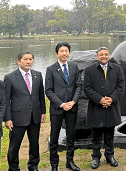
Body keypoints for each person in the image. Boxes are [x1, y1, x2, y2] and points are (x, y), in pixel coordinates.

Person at [4, 50, 46, 171]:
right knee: (14, 145)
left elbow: (40, 95)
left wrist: (43, 112)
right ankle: (13, 167)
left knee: (34, 144)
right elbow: (6, 100)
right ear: (18, 61)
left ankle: (33, 166)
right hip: (17, 117)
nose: (28, 61)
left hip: (35, 116)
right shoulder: (10, 77)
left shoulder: (37, 75)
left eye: (30, 59)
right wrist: (7, 118)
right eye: (25, 59)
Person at [83, 47, 124, 169]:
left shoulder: (117, 69)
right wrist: (100, 100)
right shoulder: (89, 70)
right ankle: (95, 158)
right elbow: (87, 88)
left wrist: (111, 98)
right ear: (97, 56)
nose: (104, 56)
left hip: (111, 106)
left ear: (109, 56)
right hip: (96, 107)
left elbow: (121, 86)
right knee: (96, 135)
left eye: (106, 54)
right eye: (101, 55)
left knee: (110, 134)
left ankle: (110, 156)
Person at [45, 42, 82, 171]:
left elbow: (78, 86)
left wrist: (73, 102)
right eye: (61, 51)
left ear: (69, 53)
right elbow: (48, 90)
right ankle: (54, 164)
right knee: (54, 137)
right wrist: (61, 104)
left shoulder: (74, 67)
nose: (64, 53)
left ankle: (70, 162)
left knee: (70, 136)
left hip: (72, 108)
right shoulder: (50, 69)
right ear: (57, 53)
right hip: (57, 109)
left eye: (66, 51)